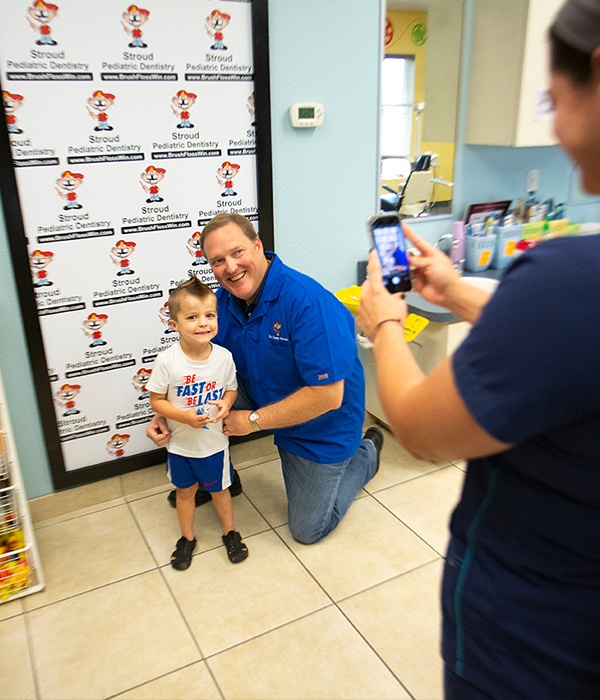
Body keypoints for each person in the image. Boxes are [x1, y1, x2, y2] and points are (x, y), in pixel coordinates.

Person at [356, 1, 600, 696]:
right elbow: (567, 344)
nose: (553, 124)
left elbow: (423, 432)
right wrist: (459, 290)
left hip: (536, 642)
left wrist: (383, 323)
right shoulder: (569, 296)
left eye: (554, 98)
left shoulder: (569, 282)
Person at [148, 212, 383, 545]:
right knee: (194, 403)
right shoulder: (224, 301)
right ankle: (220, 478)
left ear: (258, 246)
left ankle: (366, 454)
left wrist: (253, 421)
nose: (230, 267)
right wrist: (166, 412)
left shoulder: (308, 303)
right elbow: (199, 364)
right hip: (263, 390)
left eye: (237, 252)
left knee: (308, 530)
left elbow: (327, 396)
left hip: (322, 422)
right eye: (218, 260)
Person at [147, 276, 248, 569]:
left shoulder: (224, 357)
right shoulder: (167, 361)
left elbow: (231, 389)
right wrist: (184, 417)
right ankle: (187, 538)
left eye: (210, 315)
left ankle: (230, 531)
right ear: (174, 324)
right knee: (185, 492)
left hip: (214, 444)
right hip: (180, 446)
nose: (203, 323)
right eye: (192, 317)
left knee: (220, 490)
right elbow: (157, 400)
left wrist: (227, 404)